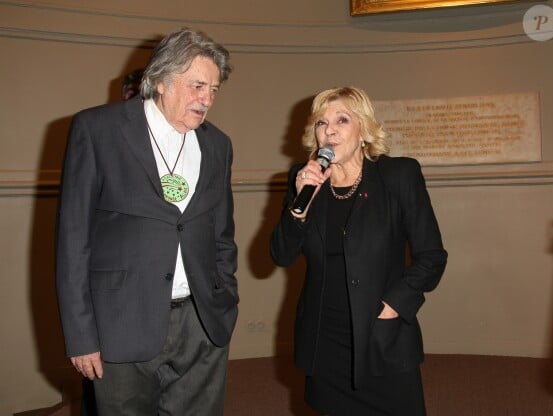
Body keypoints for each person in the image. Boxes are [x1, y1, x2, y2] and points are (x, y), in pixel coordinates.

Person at [56, 28, 239, 415]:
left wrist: (225, 302)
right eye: (197, 86)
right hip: (121, 324)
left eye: (214, 89)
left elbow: (223, 237)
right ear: (160, 80)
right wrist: (80, 335)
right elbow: (73, 242)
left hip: (201, 323)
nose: (206, 99)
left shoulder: (218, 145)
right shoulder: (98, 130)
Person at [270, 86, 448, 415]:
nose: (330, 130)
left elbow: (432, 256)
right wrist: (300, 207)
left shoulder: (399, 175)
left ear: (364, 129)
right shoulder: (303, 179)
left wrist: (395, 305)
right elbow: (281, 255)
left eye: (342, 120)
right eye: (321, 123)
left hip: (381, 333)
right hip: (325, 339)